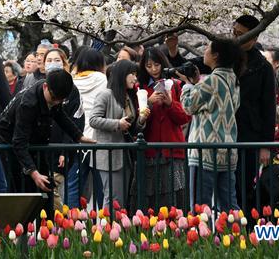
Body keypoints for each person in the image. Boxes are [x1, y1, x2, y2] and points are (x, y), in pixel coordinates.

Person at [0, 70, 95, 215]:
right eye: (54, 98)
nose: (56, 103)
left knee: (47, 188)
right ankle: (22, 233)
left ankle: (47, 227)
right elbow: (19, 142)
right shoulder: (28, 103)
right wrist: (33, 172)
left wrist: (78, 136)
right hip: (12, 144)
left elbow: (60, 115)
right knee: (22, 191)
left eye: (60, 100)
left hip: (36, 141)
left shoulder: (54, 97)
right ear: (45, 87)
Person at [182, 38, 245, 212]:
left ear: (216, 56)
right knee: (228, 206)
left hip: (205, 151)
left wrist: (187, 86)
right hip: (227, 149)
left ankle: (201, 238)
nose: (204, 51)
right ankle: (235, 237)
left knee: (199, 207)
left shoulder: (212, 81)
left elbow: (188, 106)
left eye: (207, 48)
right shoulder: (234, 79)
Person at [231, 15, 276, 213]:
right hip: (226, 132)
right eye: (234, 33)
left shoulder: (263, 67)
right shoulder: (227, 59)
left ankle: (249, 229)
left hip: (250, 135)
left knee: (245, 186)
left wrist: (266, 144)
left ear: (254, 37)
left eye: (241, 35)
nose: (236, 38)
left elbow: (269, 107)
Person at [90, 59, 147, 210]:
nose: (135, 78)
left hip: (125, 155)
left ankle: (117, 230)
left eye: (136, 74)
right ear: (122, 74)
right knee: (113, 198)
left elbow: (132, 129)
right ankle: (108, 231)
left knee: (121, 199)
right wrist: (117, 124)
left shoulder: (128, 97)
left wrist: (141, 119)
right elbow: (93, 120)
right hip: (108, 155)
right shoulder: (105, 94)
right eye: (132, 74)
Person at [138, 46, 190, 209]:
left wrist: (170, 104)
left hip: (173, 148)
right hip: (150, 150)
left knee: (174, 198)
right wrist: (149, 104)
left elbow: (184, 117)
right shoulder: (141, 88)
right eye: (149, 66)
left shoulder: (174, 85)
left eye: (157, 65)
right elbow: (139, 122)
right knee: (151, 198)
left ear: (163, 63)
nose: (153, 69)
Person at [44, 48, 82, 210]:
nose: (52, 63)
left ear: (64, 63)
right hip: (42, 146)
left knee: (54, 189)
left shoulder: (71, 89)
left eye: (56, 60)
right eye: (49, 60)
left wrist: (65, 151)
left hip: (60, 146)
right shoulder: (39, 86)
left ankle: (63, 224)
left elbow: (74, 120)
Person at [71, 48, 109, 206]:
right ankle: (102, 221)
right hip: (97, 136)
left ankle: (70, 220)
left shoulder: (71, 80)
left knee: (74, 183)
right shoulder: (102, 79)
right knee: (100, 183)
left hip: (77, 136)